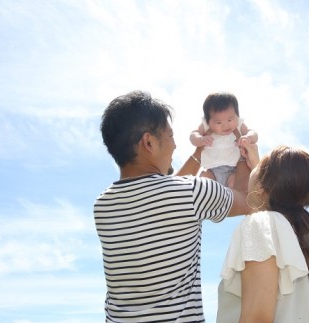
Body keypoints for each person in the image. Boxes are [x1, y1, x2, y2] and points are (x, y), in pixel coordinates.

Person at [94, 90, 256, 322]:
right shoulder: (193, 192)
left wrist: (199, 152)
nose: (175, 145)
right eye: (169, 137)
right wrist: (241, 156)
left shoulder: (103, 204)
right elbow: (248, 200)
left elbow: (165, 192)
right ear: (148, 142)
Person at [216, 145, 309, 323]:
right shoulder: (303, 242)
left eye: (258, 167)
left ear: (262, 186)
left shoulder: (260, 226)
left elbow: (257, 319)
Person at [189, 92, 258, 188]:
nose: (225, 125)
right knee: (204, 180)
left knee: (235, 185)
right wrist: (200, 139)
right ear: (208, 121)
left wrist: (248, 137)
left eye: (230, 120)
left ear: (237, 116)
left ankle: (231, 200)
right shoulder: (205, 126)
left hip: (233, 169)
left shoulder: (238, 124)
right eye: (218, 122)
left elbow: (253, 133)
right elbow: (193, 135)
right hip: (211, 170)